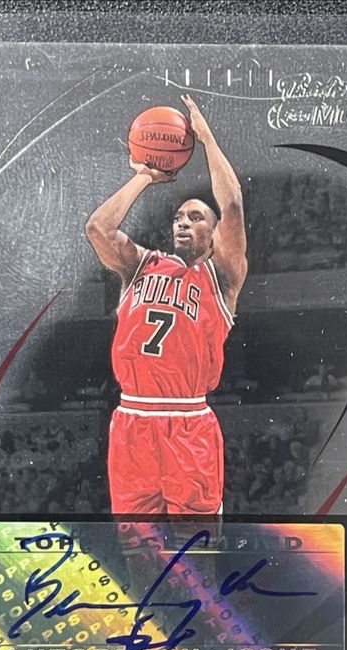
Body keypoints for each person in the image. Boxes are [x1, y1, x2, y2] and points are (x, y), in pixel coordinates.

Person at [86, 95, 248, 514]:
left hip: (189, 422)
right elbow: (98, 228)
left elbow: (231, 204)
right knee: (137, 544)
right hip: (132, 421)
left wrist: (208, 141)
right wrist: (144, 177)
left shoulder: (220, 277)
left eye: (196, 217)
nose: (183, 222)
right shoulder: (141, 265)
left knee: (196, 544)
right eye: (178, 216)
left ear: (214, 234)